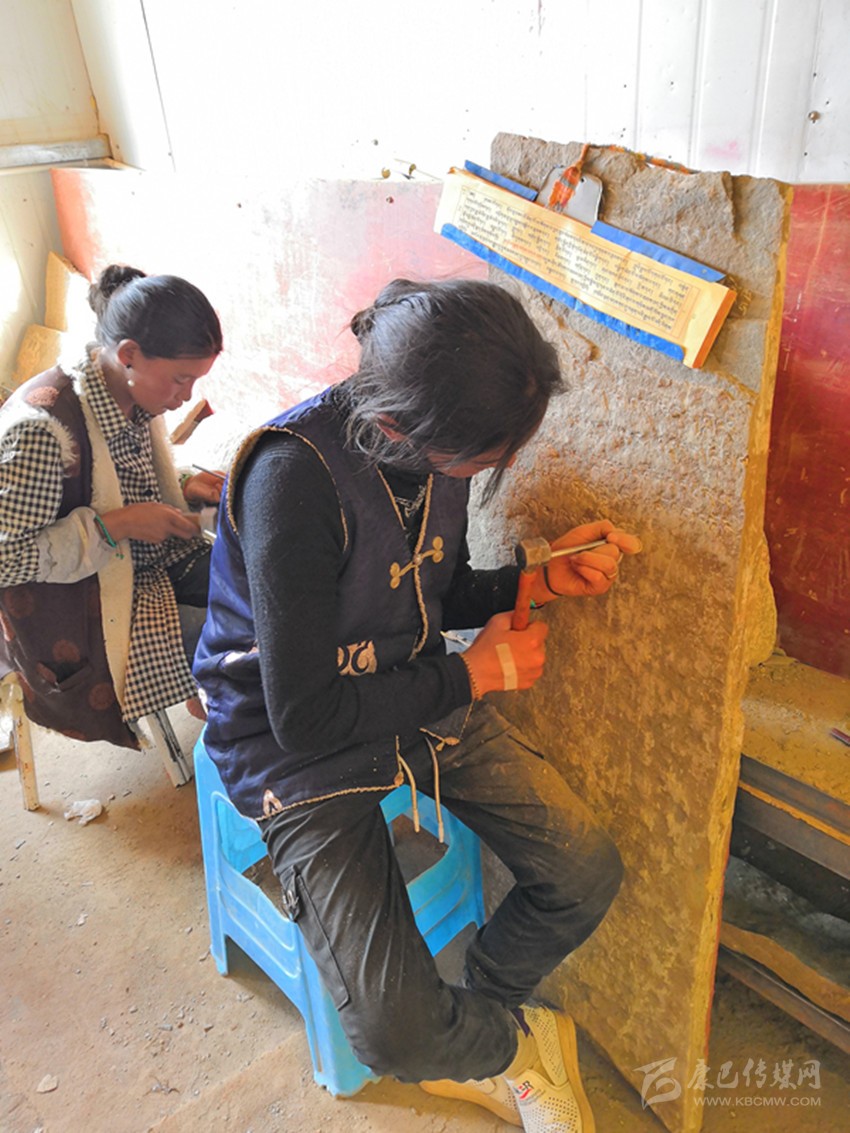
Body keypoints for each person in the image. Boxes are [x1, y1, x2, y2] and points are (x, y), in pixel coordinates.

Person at [194, 278, 641, 1133]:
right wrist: (473, 676)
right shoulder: (290, 480)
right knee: (394, 1030)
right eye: (483, 458)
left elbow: (433, 587)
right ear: (399, 425)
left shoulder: (428, 437)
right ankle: (508, 1052)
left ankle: (486, 1020)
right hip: (294, 736)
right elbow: (306, 716)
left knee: (584, 871)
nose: (495, 469)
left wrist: (535, 579)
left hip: (410, 684)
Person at [0, 264, 223, 749]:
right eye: (180, 380)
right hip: (76, 611)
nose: (186, 396)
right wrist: (114, 526)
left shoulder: (124, 390)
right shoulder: (42, 432)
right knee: (238, 633)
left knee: (255, 581)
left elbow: (110, 476)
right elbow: (6, 559)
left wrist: (184, 484)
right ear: (128, 355)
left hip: (137, 565)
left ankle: (216, 696)